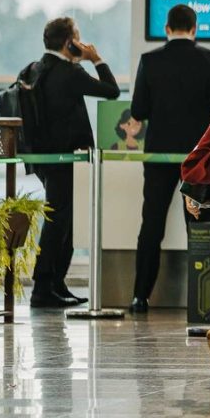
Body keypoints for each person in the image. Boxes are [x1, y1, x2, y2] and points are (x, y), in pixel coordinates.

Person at [128, 4, 210, 313]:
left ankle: (140, 296)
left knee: (152, 224)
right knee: (198, 227)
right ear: (195, 29)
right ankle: (205, 300)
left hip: (158, 154)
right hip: (198, 157)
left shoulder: (150, 61)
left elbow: (138, 110)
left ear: (167, 29)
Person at [30, 17, 120, 308]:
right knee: (59, 222)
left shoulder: (35, 68)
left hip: (44, 159)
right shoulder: (69, 72)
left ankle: (55, 283)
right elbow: (112, 90)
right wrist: (96, 59)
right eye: (78, 38)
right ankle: (43, 286)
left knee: (64, 220)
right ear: (69, 42)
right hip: (65, 159)